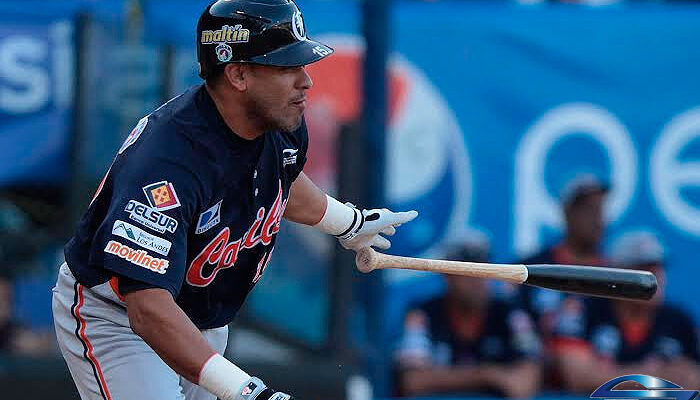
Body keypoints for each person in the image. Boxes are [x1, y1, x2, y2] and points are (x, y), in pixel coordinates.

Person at [51, 2, 418, 400]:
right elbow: (147, 305)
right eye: (287, 66)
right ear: (238, 74)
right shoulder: (168, 162)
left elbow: (281, 181)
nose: (306, 81)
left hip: (201, 317)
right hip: (119, 316)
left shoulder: (279, 121)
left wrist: (346, 222)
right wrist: (243, 391)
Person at [393, 232, 542, 399]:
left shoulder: (509, 313)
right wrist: (486, 375)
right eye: (466, 272)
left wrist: (451, 378)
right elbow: (413, 381)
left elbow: (523, 383)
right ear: (446, 275)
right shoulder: (423, 314)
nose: (476, 280)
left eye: (483, 270)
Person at [551, 231, 700, 393]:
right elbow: (578, 377)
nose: (655, 278)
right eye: (643, 270)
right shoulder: (583, 310)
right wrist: (657, 376)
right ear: (615, 275)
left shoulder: (678, 322)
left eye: (658, 269)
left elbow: (693, 376)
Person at [517, 174, 609, 335]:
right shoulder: (532, 268)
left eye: (600, 210)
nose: (597, 219)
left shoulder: (613, 277)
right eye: (588, 210)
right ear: (567, 213)